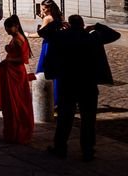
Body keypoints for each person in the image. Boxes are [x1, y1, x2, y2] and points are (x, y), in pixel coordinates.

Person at [40, 14, 121, 161]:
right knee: (88, 120)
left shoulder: (61, 37)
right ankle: (87, 151)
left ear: (69, 24)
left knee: (65, 119)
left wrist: (58, 23)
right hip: (87, 84)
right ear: (83, 24)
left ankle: (60, 148)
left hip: (67, 83)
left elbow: (42, 33)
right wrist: (96, 26)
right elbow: (115, 35)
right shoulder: (92, 37)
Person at [0, 15, 34, 144]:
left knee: (16, 103)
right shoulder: (17, 38)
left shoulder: (18, 40)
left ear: (16, 27)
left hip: (15, 75)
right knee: (15, 103)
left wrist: (8, 60)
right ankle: (15, 131)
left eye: (9, 28)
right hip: (14, 73)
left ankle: (17, 131)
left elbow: (22, 59)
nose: (7, 30)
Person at [28, 0, 64, 106]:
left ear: (48, 8)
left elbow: (41, 33)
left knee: (42, 70)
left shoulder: (48, 18)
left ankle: (44, 98)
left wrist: (28, 35)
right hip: (58, 44)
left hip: (48, 44)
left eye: (43, 9)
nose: (42, 11)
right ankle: (58, 99)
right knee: (57, 72)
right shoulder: (59, 17)